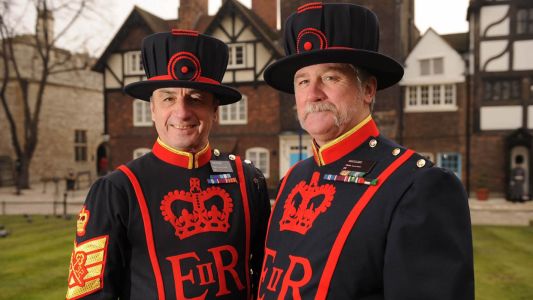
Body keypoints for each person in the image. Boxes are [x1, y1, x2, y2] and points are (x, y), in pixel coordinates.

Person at [257, 3, 474, 299]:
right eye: (303, 80)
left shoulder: (417, 186)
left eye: (331, 77)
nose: (312, 93)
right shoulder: (294, 178)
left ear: (368, 90)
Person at [66, 29, 271, 299]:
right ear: (152, 108)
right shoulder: (116, 190)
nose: (182, 112)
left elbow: (268, 279)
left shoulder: (248, 181)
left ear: (215, 110)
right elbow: (89, 294)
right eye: (168, 98)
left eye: (195, 98)